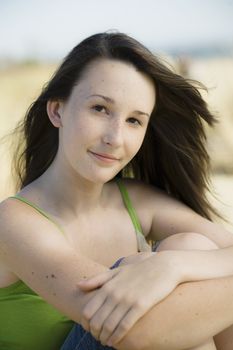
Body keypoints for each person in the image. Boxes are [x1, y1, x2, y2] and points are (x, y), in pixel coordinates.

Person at [1, 32, 233, 350]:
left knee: (192, 246)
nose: (115, 137)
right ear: (57, 111)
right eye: (100, 109)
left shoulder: (135, 201)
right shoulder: (14, 222)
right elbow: (133, 332)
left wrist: (174, 266)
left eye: (134, 121)